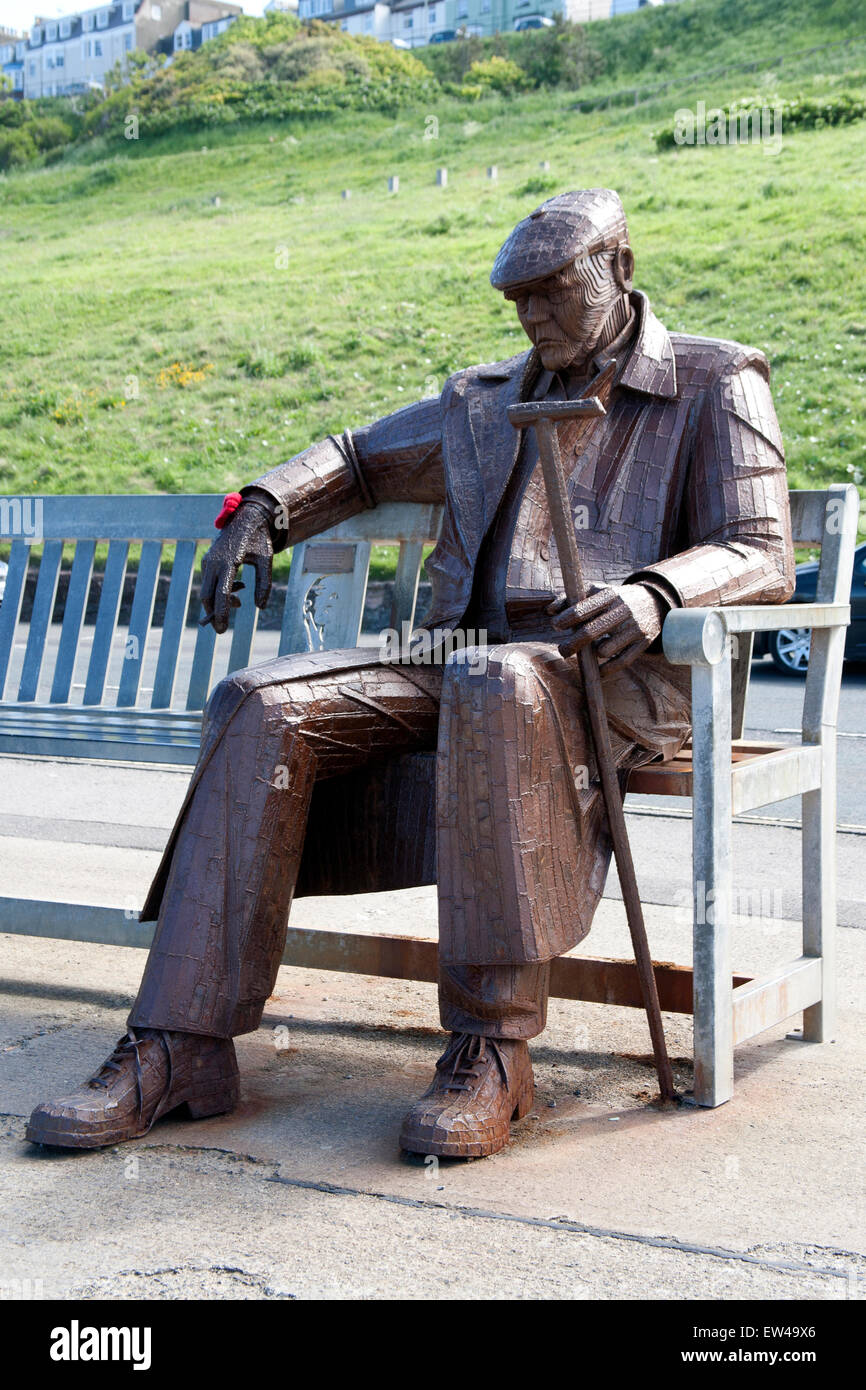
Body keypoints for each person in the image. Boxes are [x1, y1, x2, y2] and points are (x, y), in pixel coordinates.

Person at [27, 189, 793, 1158]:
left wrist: (653, 591)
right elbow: (356, 461)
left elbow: (759, 550)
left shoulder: (712, 380)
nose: (529, 316)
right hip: (463, 664)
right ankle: (179, 1042)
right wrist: (263, 504)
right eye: (516, 299)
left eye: (552, 292)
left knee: (494, 688)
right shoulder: (482, 403)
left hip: (614, 677)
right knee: (258, 702)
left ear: (620, 269)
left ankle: (492, 1049)